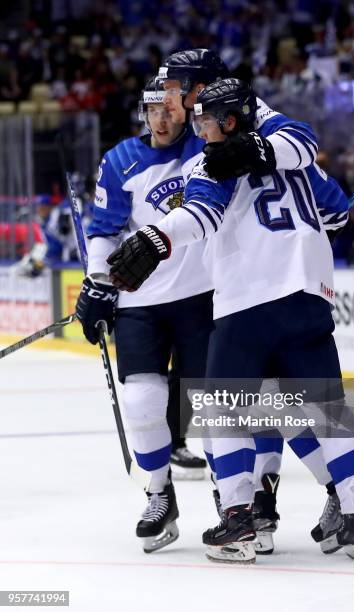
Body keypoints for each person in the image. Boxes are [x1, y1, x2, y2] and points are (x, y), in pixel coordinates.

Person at [106, 78, 354, 564]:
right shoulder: (295, 161)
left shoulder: (209, 163)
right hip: (309, 297)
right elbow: (337, 212)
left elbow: (200, 218)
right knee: (328, 411)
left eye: (206, 121)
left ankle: (238, 517)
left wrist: (156, 237)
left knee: (221, 411)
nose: (200, 129)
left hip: (247, 303)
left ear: (230, 121)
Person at [75, 77, 213, 553]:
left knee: (211, 403)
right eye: (153, 110)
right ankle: (159, 494)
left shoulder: (207, 148)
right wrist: (96, 283)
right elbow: (104, 231)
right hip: (139, 301)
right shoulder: (119, 161)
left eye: (170, 109)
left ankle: (235, 499)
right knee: (141, 400)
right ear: (144, 113)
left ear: (184, 109)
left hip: (202, 295)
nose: (161, 118)